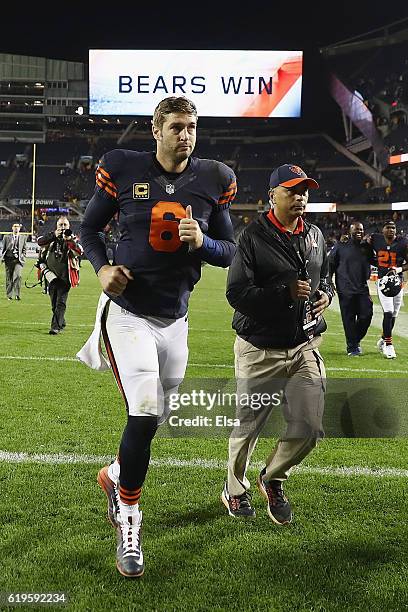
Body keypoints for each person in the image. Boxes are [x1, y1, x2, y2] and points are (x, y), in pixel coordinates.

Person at [77, 96, 237, 578]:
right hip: (128, 313)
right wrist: (102, 268)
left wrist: (202, 242)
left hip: (176, 319)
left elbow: (228, 251)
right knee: (144, 410)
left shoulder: (215, 178)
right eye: (176, 127)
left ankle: (115, 476)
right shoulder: (123, 167)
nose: (185, 135)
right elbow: (88, 226)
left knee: (158, 412)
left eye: (191, 127)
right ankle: (129, 518)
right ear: (156, 130)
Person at [222, 163, 334, 524]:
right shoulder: (251, 237)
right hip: (260, 347)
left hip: (303, 345)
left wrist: (326, 297)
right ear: (272, 195)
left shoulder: (315, 234)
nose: (301, 196)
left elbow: (325, 278)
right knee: (248, 426)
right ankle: (234, 489)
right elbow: (237, 293)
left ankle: (272, 478)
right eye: (292, 190)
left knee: (311, 427)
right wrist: (283, 293)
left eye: (305, 190)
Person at [329, 222, 373, 356]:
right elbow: (330, 264)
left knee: (367, 315)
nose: (359, 231)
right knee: (348, 319)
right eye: (356, 229)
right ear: (350, 231)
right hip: (345, 289)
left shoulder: (367, 247)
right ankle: (352, 347)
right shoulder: (340, 246)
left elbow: (377, 260)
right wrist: (329, 281)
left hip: (362, 288)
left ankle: (355, 340)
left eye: (361, 229)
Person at [37, 216, 83, 335]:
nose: (63, 228)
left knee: (60, 303)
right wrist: (54, 235)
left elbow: (79, 252)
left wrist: (69, 240)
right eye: (60, 225)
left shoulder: (72, 239)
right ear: (56, 226)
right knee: (53, 304)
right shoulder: (51, 237)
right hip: (51, 277)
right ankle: (61, 321)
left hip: (65, 277)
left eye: (65, 225)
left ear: (69, 227)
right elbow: (40, 242)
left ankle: (55, 327)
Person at [369, 220, 408, 359]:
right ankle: (389, 345)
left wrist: (397, 269)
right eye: (388, 227)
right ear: (382, 229)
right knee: (388, 312)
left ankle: (383, 338)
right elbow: (364, 250)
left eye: (393, 227)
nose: (391, 230)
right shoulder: (375, 239)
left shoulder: (403, 242)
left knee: (395, 314)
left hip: (397, 282)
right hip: (383, 282)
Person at [0, 223, 27, 300]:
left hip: (18, 260)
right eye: (15, 226)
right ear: (12, 228)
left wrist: (22, 257)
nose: (16, 228)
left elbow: (24, 249)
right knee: (9, 277)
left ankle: (17, 294)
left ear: (19, 228)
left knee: (18, 276)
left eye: (17, 227)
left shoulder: (23, 237)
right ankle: (9, 295)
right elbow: (4, 249)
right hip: (8, 259)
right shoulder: (6, 237)